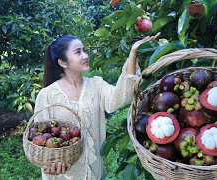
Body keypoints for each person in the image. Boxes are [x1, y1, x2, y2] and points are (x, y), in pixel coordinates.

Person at [33, 32, 160, 180]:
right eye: (78, 52)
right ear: (63, 63)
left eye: (84, 50)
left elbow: (120, 97)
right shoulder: (47, 95)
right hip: (63, 175)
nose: (85, 56)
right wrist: (51, 164)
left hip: (93, 173)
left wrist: (133, 53)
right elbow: (39, 138)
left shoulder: (96, 85)